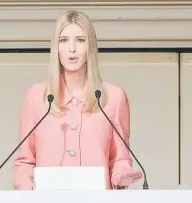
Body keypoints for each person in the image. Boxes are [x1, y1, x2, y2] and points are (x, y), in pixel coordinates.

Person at [13, 10, 143, 190]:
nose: (71, 48)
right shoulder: (36, 97)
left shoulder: (114, 97)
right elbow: (25, 162)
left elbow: (119, 159)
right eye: (64, 40)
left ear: (90, 46)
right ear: (56, 46)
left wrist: (121, 175)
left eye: (80, 40)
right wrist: (29, 200)